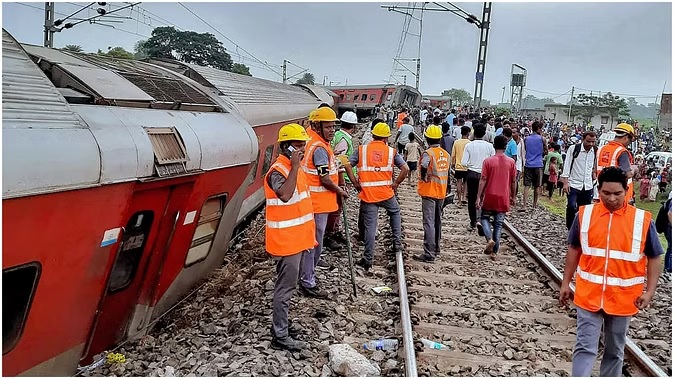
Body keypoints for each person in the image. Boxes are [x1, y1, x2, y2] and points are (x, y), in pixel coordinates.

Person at [559, 167, 663, 377]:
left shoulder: (642, 221)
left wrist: (649, 291)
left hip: (623, 300)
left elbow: (654, 256)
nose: (612, 198)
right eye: (606, 193)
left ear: (627, 191)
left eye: (618, 193)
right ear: (598, 190)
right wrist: (565, 282)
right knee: (585, 347)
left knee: (615, 350)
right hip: (589, 295)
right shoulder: (585, 215)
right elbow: (574, 249)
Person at [264, 123, 316, 351]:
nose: (302, 149)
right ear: (286, 147)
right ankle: (280, 335)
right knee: (284, 289)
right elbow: (285, 195)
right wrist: (295, 166)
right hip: (286, 242)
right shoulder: (278, 170)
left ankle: (282, 326)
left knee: (288, 287)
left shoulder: (294, 167)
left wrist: (296, 166)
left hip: (297, 239)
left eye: (303, 144)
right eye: (297, 145)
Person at [300, 107, 348, 298]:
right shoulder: (319, 148)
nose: (332, 130)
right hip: (317, 204)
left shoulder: (313, 140)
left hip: (314, 202)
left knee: (312, 242)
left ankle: (306, 274)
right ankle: (307, 281)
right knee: (314, 243)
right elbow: (324, 179)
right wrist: (340, 191)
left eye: (333, 127)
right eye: (327, 127)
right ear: (317, 126)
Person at [349, 122, 409, 271]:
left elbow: (347, 165)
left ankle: (368, 259)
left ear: (373, 135)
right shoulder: (391, 152)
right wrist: (395, 184)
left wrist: (355, 182)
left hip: (369, 194)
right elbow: (405, 168)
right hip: (386, 193)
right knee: (394, 212)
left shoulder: (362, 150)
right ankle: (397, 244)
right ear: (385, 138)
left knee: (370, 227)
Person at [476, 135, 517, 259]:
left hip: (490, 195)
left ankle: (489, 239)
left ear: (494, 145)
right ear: (505, 147)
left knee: (484, 218)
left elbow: (483, 180)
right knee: (498, 225)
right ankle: (494, 252)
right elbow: (513, 181)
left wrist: (478, 196)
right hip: (503, 197)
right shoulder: (511, 162)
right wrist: (513, 196)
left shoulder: (488, 161)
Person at [413, 125, 450, 263]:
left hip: (429, 192)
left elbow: (423, 165)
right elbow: (447, 174)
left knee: (429, 222)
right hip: (441, 192)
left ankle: (429, 253)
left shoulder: (428, 153)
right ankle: (436, 248)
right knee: (437, 221)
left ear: (427, 138)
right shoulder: (446, 154)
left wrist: (423, 177)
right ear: (440, 139)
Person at [325, 111, 358, 253]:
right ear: (354, 127)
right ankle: (330, 235)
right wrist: (346, 182)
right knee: (336, 209)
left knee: (335, 209)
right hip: (340, 178)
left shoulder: (338, 135)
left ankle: (334, 231)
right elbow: (341, 162)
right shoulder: (344, 139)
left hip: (338, 176)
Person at [461, 123, 495, 230]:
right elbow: (493, 161)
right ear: (484, 133)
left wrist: (472, 164)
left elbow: (463, 162)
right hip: (485, 174)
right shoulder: (490, 146)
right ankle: (481, 219)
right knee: (483, 197)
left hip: (471, 174)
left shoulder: (469, 145)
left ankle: (473, 221)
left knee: (471, 198)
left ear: (474, 133)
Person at [560, 131, 598, 229]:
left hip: (588, 185)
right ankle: (570, 228)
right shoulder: (574, 149)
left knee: (584, 210)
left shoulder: (595, 150)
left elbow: (594, 166)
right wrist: (565, 182)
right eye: (588, 141)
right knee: (571, 206)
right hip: (573, 184)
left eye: (593, 142)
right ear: (583, 139)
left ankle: (580, 230)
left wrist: (594, 174)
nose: (591, 144)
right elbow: (567, 165)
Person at [596, 123, 637, 205]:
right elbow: (628, 174)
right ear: (626, 137)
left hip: (603, 193)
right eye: (629, 141)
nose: (628, 144)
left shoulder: (601, 149)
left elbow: (594, 171)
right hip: (619, 196)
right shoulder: (622, 151)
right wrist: (634, 169)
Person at [521, 121, 546, 210]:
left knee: (526, 186)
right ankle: (534, 205)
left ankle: (524, 205)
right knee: (537, 186)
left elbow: (525, 149)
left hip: (528, 164)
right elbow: (545, 151)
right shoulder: (542, 139)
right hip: (538, 164)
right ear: (539, 129)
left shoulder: (526, 139)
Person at [451, 126, 471, 206]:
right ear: (468, 133)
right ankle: (464, 198)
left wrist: (452, 163)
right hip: (467, 166)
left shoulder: (456, 142)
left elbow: (453, 155)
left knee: (459, 183)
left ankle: (459, 201)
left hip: (458, 166)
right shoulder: (469, 143)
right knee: (465, 183)